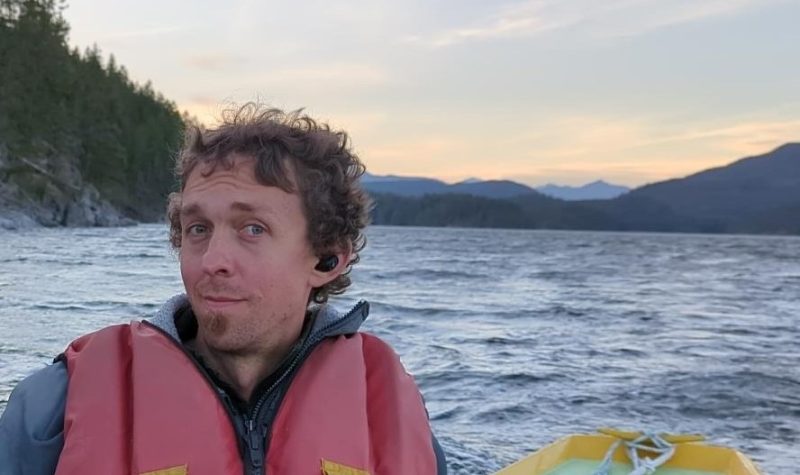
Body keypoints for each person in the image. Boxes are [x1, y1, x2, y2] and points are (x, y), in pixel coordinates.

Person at [0, 104, 447, 475]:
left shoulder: (386, 413)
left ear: (328, 257)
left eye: (252, 228)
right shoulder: (54, 408)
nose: (212, 259)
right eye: (197, 228)